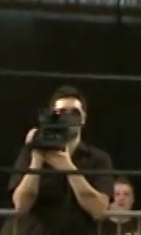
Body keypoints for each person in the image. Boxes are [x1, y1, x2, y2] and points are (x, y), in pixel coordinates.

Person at [8, 85, 114, 235]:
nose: (68, 118)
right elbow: (21, 205)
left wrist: (69, 168)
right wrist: (37, 158)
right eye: (62, 112)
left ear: (83, 118)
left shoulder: (98, 158)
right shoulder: (32, 151)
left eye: (75, 113)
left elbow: (99, 210)